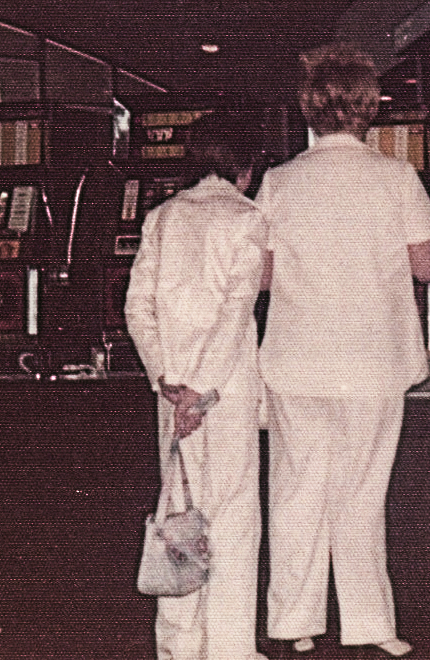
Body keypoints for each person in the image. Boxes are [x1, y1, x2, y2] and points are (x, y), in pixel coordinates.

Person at [255, 42, 430, 657]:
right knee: (362, 492)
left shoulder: (278, 182)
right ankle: (371, 626)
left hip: (295, 359)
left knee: (295, 490)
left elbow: (260, 275)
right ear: (369, 108)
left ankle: (293, 624)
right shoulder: (397, 177)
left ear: (309, 108)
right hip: (373, 358)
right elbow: (428, 266)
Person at [125, 109, 269, 660]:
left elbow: (136, 307)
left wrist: (169, 380)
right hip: (223, 397)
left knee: (178, 514)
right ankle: (231, 649)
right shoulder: (248, 218)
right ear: (246, 166)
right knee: (231, 519)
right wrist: (202, 393)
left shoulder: (161, 217)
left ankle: (178, 648)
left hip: (172, 395)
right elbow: (235, 314)